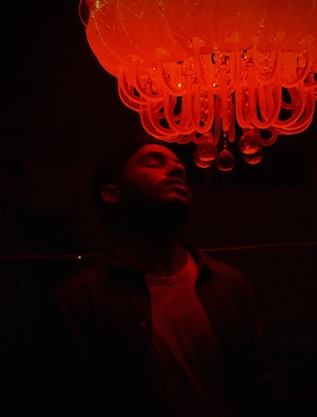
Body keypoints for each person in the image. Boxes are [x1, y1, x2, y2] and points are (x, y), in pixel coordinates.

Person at [44, 134, 271, 416]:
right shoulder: (80, 299)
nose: (178, 169)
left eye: (179, 167)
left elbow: (258, 387)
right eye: (153, 163)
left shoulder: (229, 284)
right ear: (112, 193)